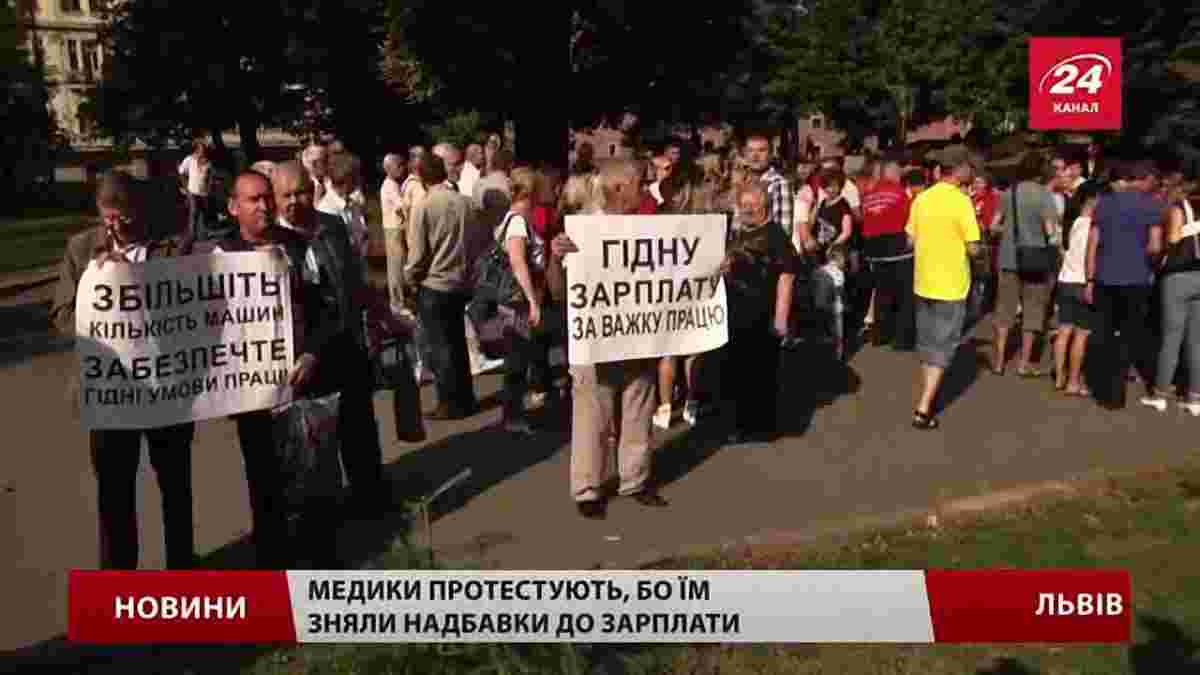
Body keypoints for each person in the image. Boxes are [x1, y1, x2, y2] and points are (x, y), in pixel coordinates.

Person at [51, 171, 197, 570]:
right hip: (110, 393)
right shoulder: (81, 249)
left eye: (125, 216)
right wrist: (99, 285)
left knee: (176, 487)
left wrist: (134, 281)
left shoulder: (171, 247)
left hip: (166, 390)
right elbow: (63, 315)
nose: (116, 226)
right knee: (114, 492)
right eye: (108, 217)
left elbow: (193, 311)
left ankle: (182, 570)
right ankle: (118, 579)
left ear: (140, 210)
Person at [197, 171, 332, 568]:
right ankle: (273, 560)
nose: (264, 206)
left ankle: (319, 558)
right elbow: (201, 319)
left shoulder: (297, 246)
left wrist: (312, 353)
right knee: (263, 476)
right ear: (233, 207)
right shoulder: (220, 256)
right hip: (252, 391)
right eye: (253, 200)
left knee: (312, 470)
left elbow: (324, 307)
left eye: (267, 198)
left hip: (302, 380)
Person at [545, 159, 668, 519]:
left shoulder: (647, 228)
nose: (645, 190)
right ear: (618, 189)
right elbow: (558, 290)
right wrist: (555, 257)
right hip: (595, 340)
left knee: (638, 406)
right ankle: (588, 488)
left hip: (637, 334)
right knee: (592, 414)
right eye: (639, 184)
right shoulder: (583, 230)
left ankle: (636, 480)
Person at [273, 161, 392, 516]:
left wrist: (383, 316)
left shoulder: (333, 226)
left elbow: (354, 279)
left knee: (360, 431)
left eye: (301, 193)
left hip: (347, 345)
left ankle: (371, 502)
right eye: (286, 195)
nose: (294, 201)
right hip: (305, 357)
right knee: (314, 439)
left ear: (312, 190)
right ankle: (323, 512)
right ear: (274, 198)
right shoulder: (269, 242)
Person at [905, 147, 984, 429]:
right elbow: (973, 248)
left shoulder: (921, 199)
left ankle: (927, 397)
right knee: (943, 346)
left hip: (923, 281)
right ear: (960, 170)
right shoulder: (962, 202)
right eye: (969, 167)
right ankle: (924, 406)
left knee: (928, 345)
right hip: (951, 284)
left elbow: (910, 240)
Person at [1084, 160, 1166, 407]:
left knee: (1105, 333)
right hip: (1137, 279)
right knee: (1131, 335)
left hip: (1104, 278)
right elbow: (1155, 246)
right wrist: (1150, 263)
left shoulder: (1103, 204)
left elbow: (1092, 244)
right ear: (1139, 179)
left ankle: (1105, 388)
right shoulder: (1151, 205)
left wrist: (1089, 279)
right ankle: (1121, 387)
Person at [720, 182, 797, 443]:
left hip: (763, 313)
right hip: (737, 313)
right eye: (744, 205)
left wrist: (781, 319)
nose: (748, 209)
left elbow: (786, 277)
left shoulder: (775, 236)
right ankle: (742, 424)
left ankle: (761, 428)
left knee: (761, 372)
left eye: (754, 204)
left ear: (766, 206)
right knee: (740, 371)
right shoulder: (740, 234)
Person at [405, 153, 479, 420]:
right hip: (460, 281)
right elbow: (474, 243)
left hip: (434, 283)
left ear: (422, 177)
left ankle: (449, 403)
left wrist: (410, 279)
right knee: (457, 342)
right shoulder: (464, 202)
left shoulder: (424, 205)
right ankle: (466, 398)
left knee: (440, 347)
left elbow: (417, 253)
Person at [989, 158, 1061, 376]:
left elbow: (993, 225)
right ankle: (1024, 363)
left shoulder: (1008, 194)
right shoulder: (1044, 195)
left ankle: (999, 361)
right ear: (1040, 174)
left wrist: (1009, 232)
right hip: (1036, 261)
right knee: (1033, 310)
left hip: (1008, 258)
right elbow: (1051, 232)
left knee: (1004, 309)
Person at [1141, 186, 1200, 414]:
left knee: (1171, 338)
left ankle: (1160, 395)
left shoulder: (1179, 208)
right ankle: (1194, 398)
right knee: (1196, 341)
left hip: (1178, 277)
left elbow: (1174, 238)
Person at [1053, 182, 1104, 397]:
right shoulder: (1092, 226)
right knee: (1081, 334)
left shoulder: (1072, 223)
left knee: (1064, 331)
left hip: (1065, 280)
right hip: (1082, 282)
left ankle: (1060, 376)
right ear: (1092, 199)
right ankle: (1073, 381)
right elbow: (1090, 257)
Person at [861, 160, 915, 350]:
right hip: (897, 248)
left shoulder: (869, 195)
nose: (900, 176)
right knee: (904, 296)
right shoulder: (900, 193)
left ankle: (880, 335)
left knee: (882, 293)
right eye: (898, 173)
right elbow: (909, 219)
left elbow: (866, 218)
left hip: (874, 250)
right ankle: (902, 340)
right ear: (891, 174)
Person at [317, 153, 370, 262]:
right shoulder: (326, 210)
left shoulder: (353, 204)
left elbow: (361, 234)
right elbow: (332, 251)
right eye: (356, 176)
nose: (360, 179)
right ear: (346, 179)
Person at [381, 153, 408, 314]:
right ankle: (397, 304)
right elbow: (401, 205)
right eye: (399, 166)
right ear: (389, 169)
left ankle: (399, 301)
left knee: (399, 266)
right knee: (396, 268)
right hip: (393, 230)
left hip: (396, 229)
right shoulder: (390, 185)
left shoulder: (394, 184)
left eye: (402, 165)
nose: (402, 169)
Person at [178, 141, 213, 241]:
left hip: (203, 191)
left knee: (202, 212)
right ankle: (191, 235)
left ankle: (202, 234)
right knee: (194, 211)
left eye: (204, 150)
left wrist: (209, 188)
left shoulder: (208, 162)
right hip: (192, 190)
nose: (203, 151)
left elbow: (209, 177)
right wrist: (185, 187)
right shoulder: (189, 159)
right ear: (197, 149)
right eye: (201, 149)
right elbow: (181, 172)